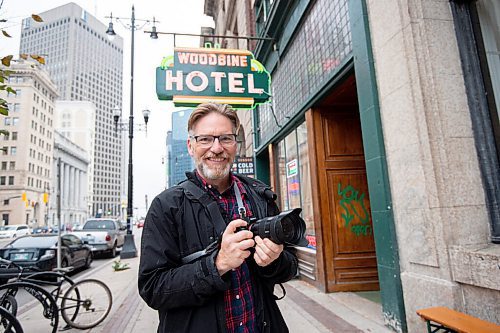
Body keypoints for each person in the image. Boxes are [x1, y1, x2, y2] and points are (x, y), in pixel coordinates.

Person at [138, 102, 298, 333]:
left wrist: (274, 261)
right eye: (205, 139)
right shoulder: (166, 206)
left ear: (235, 145)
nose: (216, 148)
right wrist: (218, 264)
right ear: (191, 146)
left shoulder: (260, 195)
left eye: (225, 138)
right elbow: (153, 288)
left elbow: (290, 266)